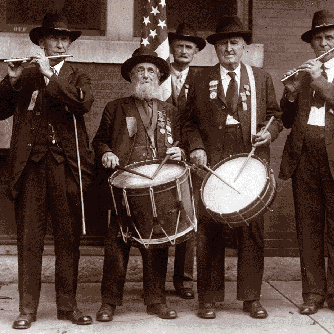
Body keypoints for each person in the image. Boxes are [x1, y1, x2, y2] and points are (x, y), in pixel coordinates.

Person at [180, 15, 283, 319]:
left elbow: (275, 116)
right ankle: (209, 299)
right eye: (223, 43)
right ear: (215, 48)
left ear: (243, 47)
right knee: (210, 230)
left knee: (252, 232)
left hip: (249, 162)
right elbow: (186, 122)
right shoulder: (199, 79)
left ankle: (251, 297)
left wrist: (269, 132)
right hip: (211, 162)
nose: (228, 48)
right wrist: (196, 146)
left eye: (234, 42)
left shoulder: (260, 78)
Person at [0, 12, 94, 329]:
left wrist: (49, 76)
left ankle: (67, 308)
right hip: (31, 168)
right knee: (29, 240)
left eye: (64, 38)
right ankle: (27, 309)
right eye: (53, 37)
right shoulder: (24, 76)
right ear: (41, 41)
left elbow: (82, 104)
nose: (58, 42)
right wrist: (11, 80)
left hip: (65, 167)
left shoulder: (78, 76)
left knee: (68, 240)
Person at [93, 48, 185, 321]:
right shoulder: (116, 107)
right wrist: (106, 152)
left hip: (159, 187)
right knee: (117, 246)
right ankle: (109, 303)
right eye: (140, 71)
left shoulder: (171, 110)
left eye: (151, 71)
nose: (146, 75)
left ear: (159, 78)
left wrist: (180, 152)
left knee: (157, 245)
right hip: (124, 186)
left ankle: (156, 301)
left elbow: (181, 142)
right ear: (131, 76)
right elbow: (99, 140)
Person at [280, 9, 334, 317]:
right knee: (309, 229)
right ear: (312, 44)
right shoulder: (302, 75)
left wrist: (317, 81)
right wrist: (289, 96)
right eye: (318, 38)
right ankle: (312, 293)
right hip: (305, 159)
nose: (323, 43)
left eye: (329, 37)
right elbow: (287, 122)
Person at [165, 22, 206, 299]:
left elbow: (202, 121)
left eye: (189, 47)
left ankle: (184, 279)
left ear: (195, 52)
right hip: (161, 155)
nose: (183, 51)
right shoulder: (156, 75)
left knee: (188, 217)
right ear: (171, 47)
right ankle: (152, 281)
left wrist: (194, 148)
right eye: (179, 45)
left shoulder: (203, 81)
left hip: (189, 156)